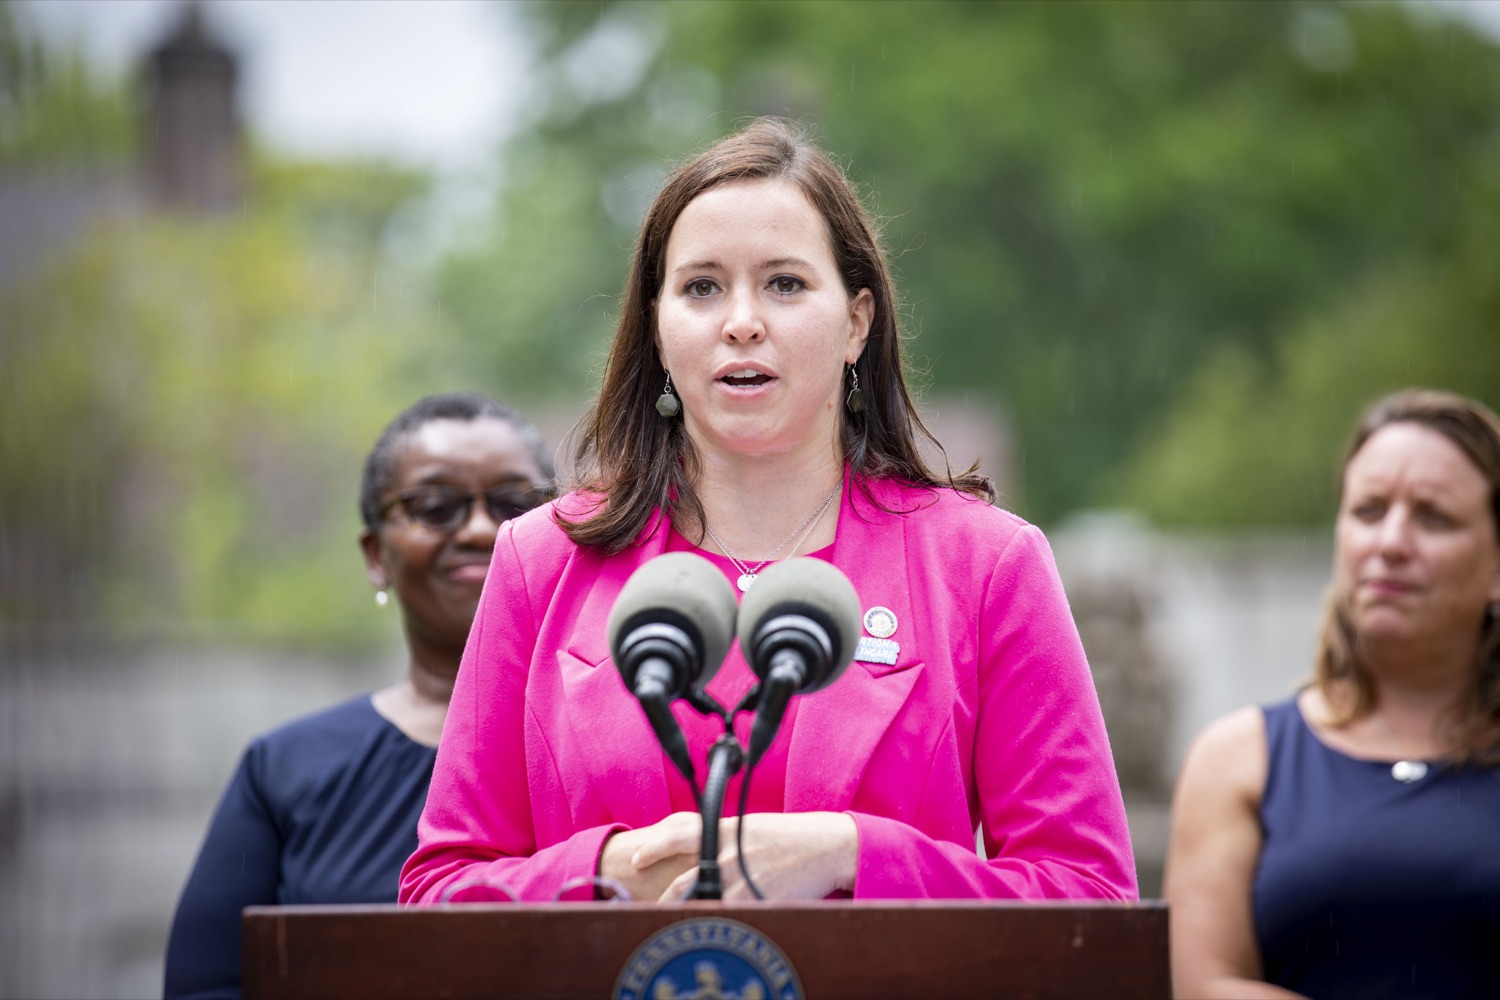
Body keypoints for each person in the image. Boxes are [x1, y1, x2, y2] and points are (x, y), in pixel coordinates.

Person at [399, 118, 1136, 906]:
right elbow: (440, 888)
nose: (741, 321)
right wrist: (607, 872)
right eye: (701, 287)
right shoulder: (541, 560)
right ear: (658, 328)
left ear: (856, 322)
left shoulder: (986, 564)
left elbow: (1090, 894)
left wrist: (853, 855)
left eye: (785, 284)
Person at [163, 392, 554, 999]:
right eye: (435, 507)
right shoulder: (286, 770)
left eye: (514, 504)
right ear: (376, 556)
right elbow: (207, 986)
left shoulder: (625, 746)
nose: (482, 529)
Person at [1164, 388, 1500, 999]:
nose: (1390, 542)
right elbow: (1205, 985)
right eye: (1369, 511)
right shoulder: (1238, 761)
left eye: (1433, 517)